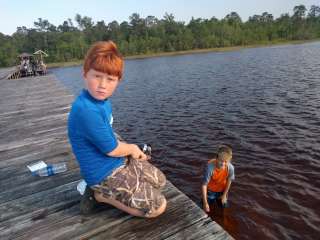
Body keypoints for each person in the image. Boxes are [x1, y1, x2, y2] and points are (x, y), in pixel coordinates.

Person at [68, 41, 167, 218]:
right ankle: (100, 195)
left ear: (118, 81)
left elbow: (109, 137)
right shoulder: (87, 110)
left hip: (116, 161)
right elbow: (112, 149)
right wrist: (132, 149)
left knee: (160, 182)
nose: (102, 85)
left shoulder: (101, 102)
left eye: (110, 79)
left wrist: (130, 152)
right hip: (103, 173)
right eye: (97, 76)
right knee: (158, 207)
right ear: (85, 75)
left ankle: (119, 187)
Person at [201, 145, 235, 213]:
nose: (223, 163)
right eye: (221, 161)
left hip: (222, 191)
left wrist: (224, 195)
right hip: (210, 191)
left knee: (224, 207)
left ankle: (223, 220)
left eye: (226, 161)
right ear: (216, 158)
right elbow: (204, 185)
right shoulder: (209, 167)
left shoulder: (230, 167)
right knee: (205, 208)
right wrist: (205, 203)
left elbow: (229, 181)